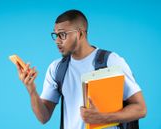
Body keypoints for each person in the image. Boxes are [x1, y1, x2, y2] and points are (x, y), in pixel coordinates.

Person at [15, 9, 147, 129]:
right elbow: (43, 118)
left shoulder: (111, 61)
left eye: (62, 35)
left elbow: (140, 109)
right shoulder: (56, 68)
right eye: (55, 35)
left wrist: (103, 118)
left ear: (80, 34)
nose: (57, 41)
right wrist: (31, 89)